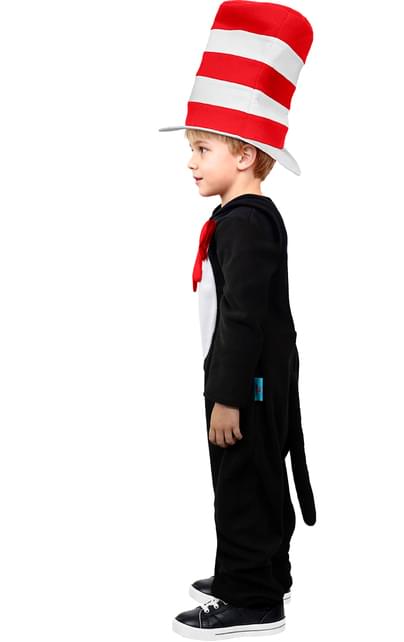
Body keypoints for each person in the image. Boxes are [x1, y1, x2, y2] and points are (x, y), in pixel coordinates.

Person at [158, 2, 317, 638]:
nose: (191, 161)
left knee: (243, 480)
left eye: (202, 148)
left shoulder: (243, 225)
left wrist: (227, 396)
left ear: (245, 155)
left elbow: (243, 318)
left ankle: (251, 599)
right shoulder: (249, 218)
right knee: (258, 474)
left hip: (244, 383)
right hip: (259, 378)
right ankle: (262, 572)